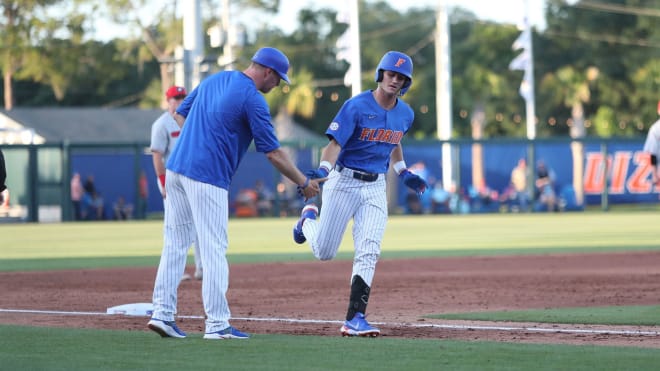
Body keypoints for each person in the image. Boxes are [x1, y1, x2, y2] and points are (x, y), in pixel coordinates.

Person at [147, 46, 324, 340]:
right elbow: (274, 154)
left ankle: (163, 314)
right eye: (278, 78)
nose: (278, 84)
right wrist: (304, 182)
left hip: (176, 169)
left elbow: (179, 114)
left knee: (175, 244)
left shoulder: (216, 79)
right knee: (214, 248)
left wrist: (200, 137)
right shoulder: (253, 99)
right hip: (207, 175)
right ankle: (217, 324)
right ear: (267, 71)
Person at [292, 51, 427, 337]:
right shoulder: (355, 106)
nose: (395, 80)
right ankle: (307, 221)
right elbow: (334, 144)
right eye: (391, 74)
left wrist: (403, 172)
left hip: (376, 186)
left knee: (369, 249)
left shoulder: (406, 113)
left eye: (401, 77)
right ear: (380, 75)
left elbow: (394, 142)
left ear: (406, 83)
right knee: (325, 251)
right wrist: (322, 169)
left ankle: (355, 318)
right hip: (344, 182)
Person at [150, 85, 203, 281]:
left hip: (192, 176)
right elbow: (157, 155)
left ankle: (202, 268)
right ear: (168, 101)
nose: (180, 101)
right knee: (173, 224)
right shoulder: (161, 124)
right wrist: (163, 181)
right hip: (170, 178)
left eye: (182, 97)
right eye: (175, 98)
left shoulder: (191, 121)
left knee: (198, 221)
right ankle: (175, 271)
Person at [643, 101, 660, 188]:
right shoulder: (656, 128)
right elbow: (653, 154)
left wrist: (654, 174)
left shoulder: (656, 128)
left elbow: (652, 153)